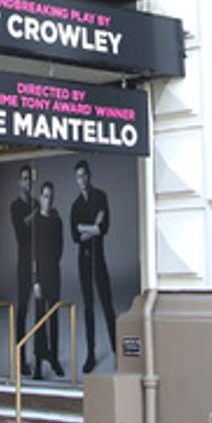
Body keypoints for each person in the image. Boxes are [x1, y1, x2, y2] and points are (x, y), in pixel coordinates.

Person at [70, 159, 118, 373]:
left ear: (89, 175)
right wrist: (93, 227)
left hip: (98, 257)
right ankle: (91, 353)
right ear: (76, 180)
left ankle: (117, 350)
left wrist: (85, 228)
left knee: (107, 303)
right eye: (78, 177)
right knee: (88, 306)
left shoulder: (100, 197)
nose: (82, 180)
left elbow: (104, 228)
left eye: (84, 175)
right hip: (84, 259)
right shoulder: (75, 206)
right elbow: (75, 236)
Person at [32, 180, 65, 379]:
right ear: (40, 197)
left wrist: (53, 266)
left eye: (51, 197)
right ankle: (37, 363)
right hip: (40, 275)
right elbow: (33, 253)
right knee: (39, 319)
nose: (48, 200)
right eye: (45, 196)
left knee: (54, 317)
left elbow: (60, 247)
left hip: (54, 273)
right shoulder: (36, 221)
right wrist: (36, 280)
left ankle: (54, 358)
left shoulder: (57, 221)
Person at [10, 165, 36, 375]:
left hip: (39, 260)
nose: (28, 183)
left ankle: (40, 357)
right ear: (20, 182)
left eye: (30, 179)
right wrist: (37, 214)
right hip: (24, 262)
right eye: (25, 179)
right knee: (23, 309)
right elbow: (20, 227)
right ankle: (20, 358)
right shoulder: (16, 206)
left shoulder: (35, 203)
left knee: (41, 309)